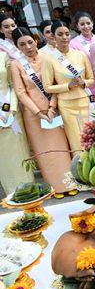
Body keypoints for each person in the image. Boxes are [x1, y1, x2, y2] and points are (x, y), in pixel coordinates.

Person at [11, 27, 74, 197]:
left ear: (36, 40)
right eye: (22, 44)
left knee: (61, 148)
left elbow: (55, 84)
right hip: (34, 115)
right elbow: (21, 92)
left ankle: (70, 182)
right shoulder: (16, 65)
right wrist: (38, 112)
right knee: (46, 153)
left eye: (30, 42)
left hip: (53, 110)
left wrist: (52, 107)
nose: (28, 47)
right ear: (17, 47)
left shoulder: (48, 58)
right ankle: (54, 188)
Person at [41, 20, 95, 154]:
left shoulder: (80, 55)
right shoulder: (49, 58)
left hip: (84, 101)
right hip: (66, 104)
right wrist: (68, 86)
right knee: (77, 140)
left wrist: (84, 83)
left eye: (67, 34)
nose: (64, 37)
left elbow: (91, 79)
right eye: (60, 34)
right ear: (53, 36)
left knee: (91, 138)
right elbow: (47, 87)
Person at [0, 45, 35, 194]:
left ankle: (30, 188)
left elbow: (12, 85)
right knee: (4, 157)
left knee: (20, 151)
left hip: (11, 111)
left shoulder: (3, 56)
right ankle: (12, 192)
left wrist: (12, 108)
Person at [69, 12, 95, 106]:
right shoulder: (73, 44)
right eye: (82, 24)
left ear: (92, 23)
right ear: (77, 26)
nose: (86, 26)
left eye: (88, 23)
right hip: (88, 83)